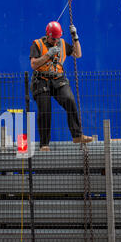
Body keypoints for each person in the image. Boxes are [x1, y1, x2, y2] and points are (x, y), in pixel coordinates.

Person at [29, 21, 93, 151]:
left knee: (69, 100)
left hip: (58, 79)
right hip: (41, 80)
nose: (56, 41)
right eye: (53, 38)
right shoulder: (37, 44)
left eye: (58, 38)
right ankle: (44, 144)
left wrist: (75, 37)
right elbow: (34, 64)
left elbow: (78, 54)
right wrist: (48, 54)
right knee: (45, 110)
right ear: (48, 35)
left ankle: (77, 135)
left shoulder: (62, 43)